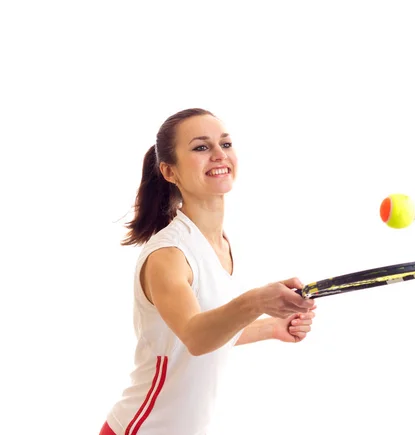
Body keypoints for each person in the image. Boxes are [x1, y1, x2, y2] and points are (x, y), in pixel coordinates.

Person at [99, 108, 317, 435]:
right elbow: (195, 337)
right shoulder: (168, 254)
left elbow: (212, 327)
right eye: (201, 147)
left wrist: (272, 327)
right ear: (169, 171)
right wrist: (256, 301)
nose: (219, 155)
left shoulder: (222, 243)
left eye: (225, 144)